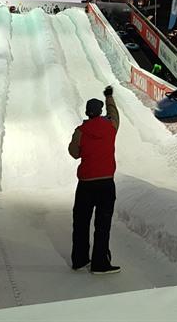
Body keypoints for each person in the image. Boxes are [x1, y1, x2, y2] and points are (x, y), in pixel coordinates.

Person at [68, 85, 121, 274]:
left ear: (87, 113)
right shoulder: (110, 127)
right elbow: (114, 114)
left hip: (86, 184)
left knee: (81, 222)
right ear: (100, 112)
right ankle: (100, 263)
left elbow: (74, 153)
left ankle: (80, 259)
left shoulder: (80, 131)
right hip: (106, 183)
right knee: (103, 223)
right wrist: (109, 97)